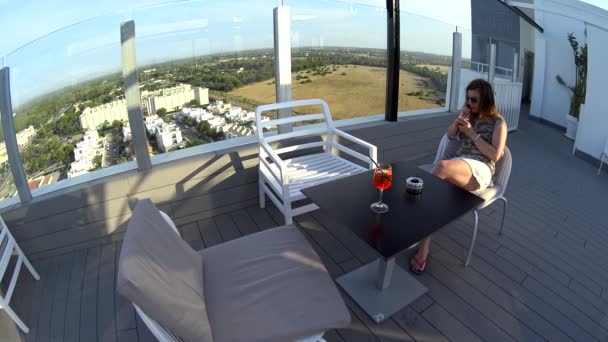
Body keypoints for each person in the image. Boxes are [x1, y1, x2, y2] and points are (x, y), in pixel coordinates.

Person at [410, 78, 508, 274]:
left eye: (474, 100)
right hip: (460, 163)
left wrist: (472, 134)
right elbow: (450, 136)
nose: (469, 103)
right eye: (467, 99)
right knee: (434, 186)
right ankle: (421, 228)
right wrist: (458, 121)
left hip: (480, 169)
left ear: (486, 100)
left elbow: (496, 155)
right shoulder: (468, 115)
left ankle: (423, 246)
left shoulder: (499, 122)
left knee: (440, 169)